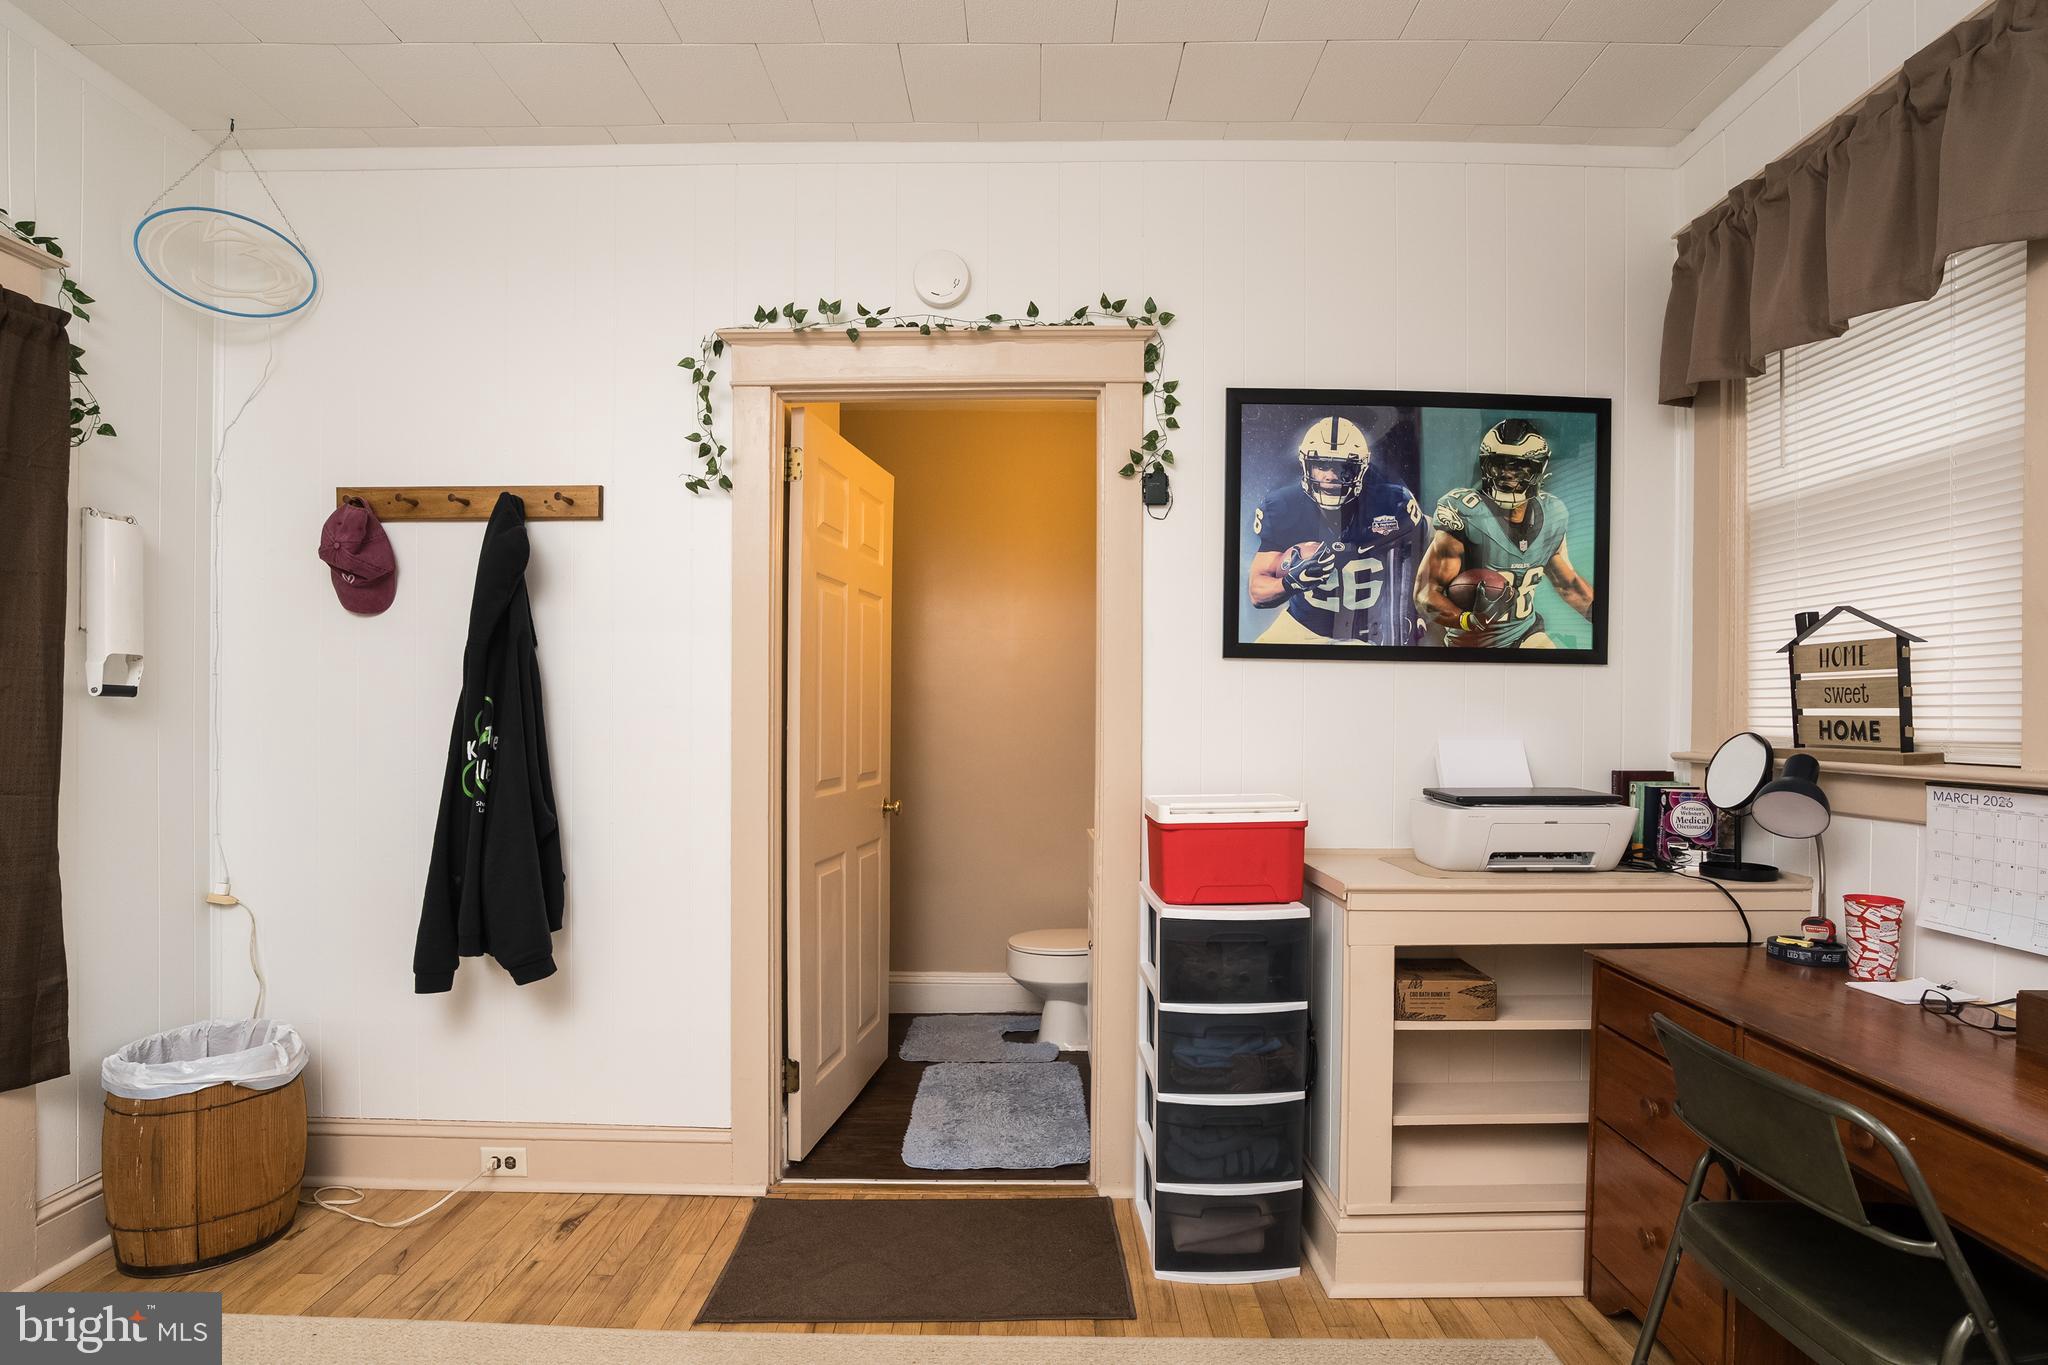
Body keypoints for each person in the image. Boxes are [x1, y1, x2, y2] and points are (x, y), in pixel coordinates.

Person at [1414, 418, 1595, 648]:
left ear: (1538, 468)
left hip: (1525, 634)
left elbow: (1568, 586)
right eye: (1499, 464)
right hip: (1472, 643)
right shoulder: (1465, 515)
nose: (1507, 474)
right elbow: (1426, 593)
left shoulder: (1553, 513)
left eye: (1519, 466)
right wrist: (1467, 620)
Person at [1247, 416, 1426, 646]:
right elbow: (1257, 591)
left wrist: (1414, 612)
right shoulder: (1283, 507)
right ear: (1306, 465)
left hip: (1370, 631)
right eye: (1321, 465)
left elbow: (1421, 558)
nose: (1330, 476)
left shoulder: (1392, 503)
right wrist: (1291, 583)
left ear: (1361, 469)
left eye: (1343, 467)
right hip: (1303, 625)